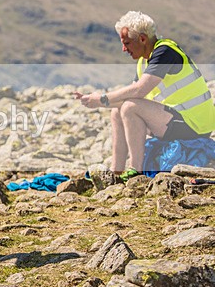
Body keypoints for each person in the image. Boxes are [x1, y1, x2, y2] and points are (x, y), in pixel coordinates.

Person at [74, 11, 215, 180]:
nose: (123, 49)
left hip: (195, 124)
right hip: (176, 119)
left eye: (127, 43)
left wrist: (102, 99)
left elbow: (139, 91)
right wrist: (95, 100)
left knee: (130, 108)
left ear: (142, 39)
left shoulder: (165, 52)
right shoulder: (144, 61)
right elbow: (128, 95)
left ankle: (136, 171)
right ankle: (116, 172)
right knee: (117, 111)